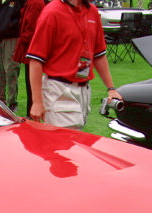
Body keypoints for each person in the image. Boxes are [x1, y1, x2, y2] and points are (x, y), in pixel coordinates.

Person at [25, 0, 121, 129]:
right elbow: (36, 60)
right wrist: (37, 102)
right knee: (65, 143)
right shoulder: (52, 12)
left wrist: (111, 88)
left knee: (73, 141)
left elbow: (99, 55)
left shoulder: (92, 11)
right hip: (59, 89)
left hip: (84, 90)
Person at [12, 0, 46, 116]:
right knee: (30, 84)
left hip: (32, 49)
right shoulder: (31, 2)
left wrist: (23, 41)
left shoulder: (35, 3)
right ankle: (30, 112)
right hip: (30, 48)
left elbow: (31, 28)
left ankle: (31, 114)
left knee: (32, 84)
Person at [0, 0, 24, 112]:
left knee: (11, 69)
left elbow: (21, 17)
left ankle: (12, 101)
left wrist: (9, 25)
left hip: (11, 38)